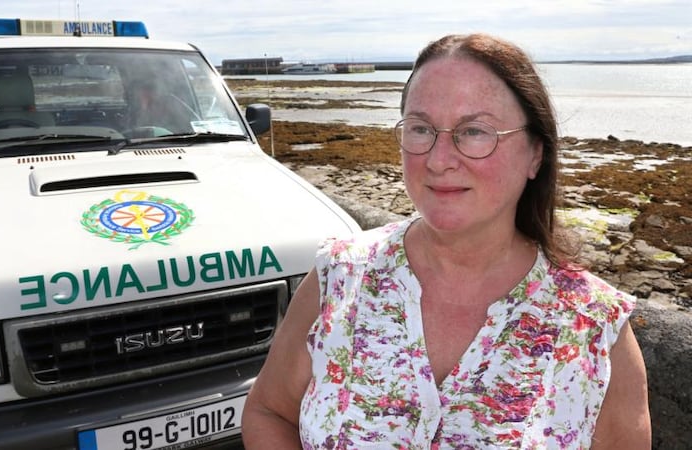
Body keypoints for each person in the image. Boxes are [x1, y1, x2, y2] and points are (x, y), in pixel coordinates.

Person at [241, 33, 650, 449]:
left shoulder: (594, 329)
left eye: (474, 131)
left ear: (535, 154)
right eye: (421, 128)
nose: (438, 160)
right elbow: (269, 412)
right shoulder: (339, 279)